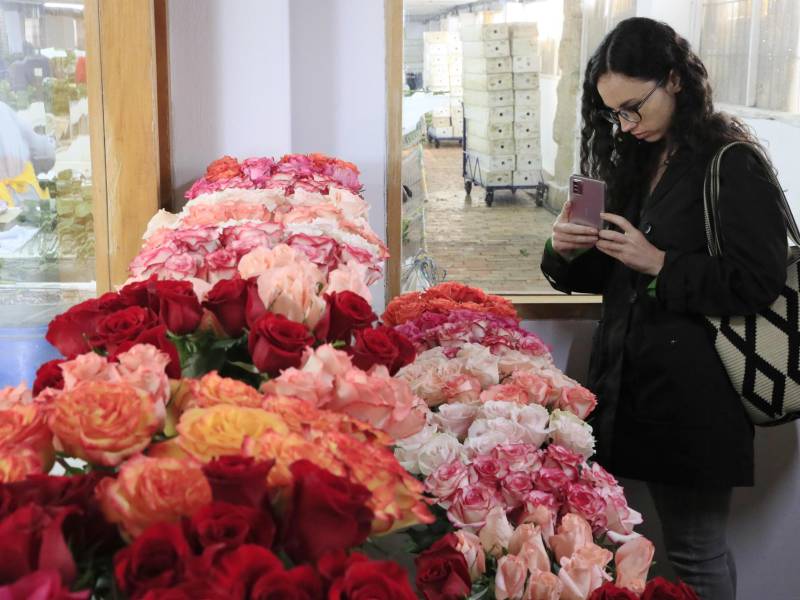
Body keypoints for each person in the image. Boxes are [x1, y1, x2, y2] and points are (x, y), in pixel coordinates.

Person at [540, 17, 788, 600]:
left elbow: (759, 281)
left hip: (696, 400)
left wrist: (660, 264)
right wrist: (563, 248)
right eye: (613, 113)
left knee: (695, 554)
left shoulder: (731, 163)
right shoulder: (631, 158)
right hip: (624, 387)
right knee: (620, 548)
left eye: (634, 106)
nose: (625, 124)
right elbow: (609, 273)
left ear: (675, 80)